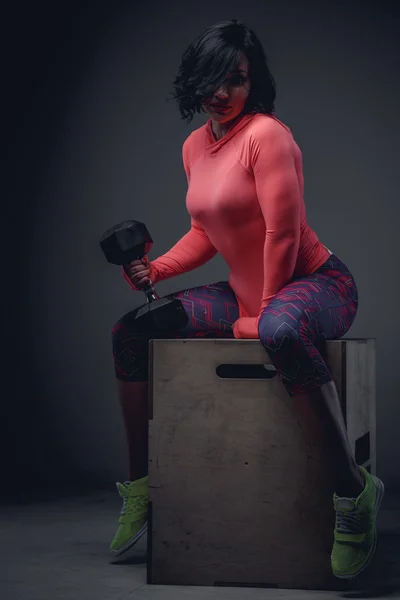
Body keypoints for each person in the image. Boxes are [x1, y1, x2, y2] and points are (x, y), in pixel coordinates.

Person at [109, 18, 384, 579]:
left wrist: (260, 316)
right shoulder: (194, 147)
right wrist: (154, 268)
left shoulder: (268, 135)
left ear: (251, 84)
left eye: (236, 80)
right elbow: (208, 232)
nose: (222, 91)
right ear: (195, 79)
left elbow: (282, 234)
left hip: (316, 283)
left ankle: (354, 495)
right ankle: (140, 485)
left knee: (280, 330)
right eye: (213, 78)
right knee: (129, 330)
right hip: (248, 293)